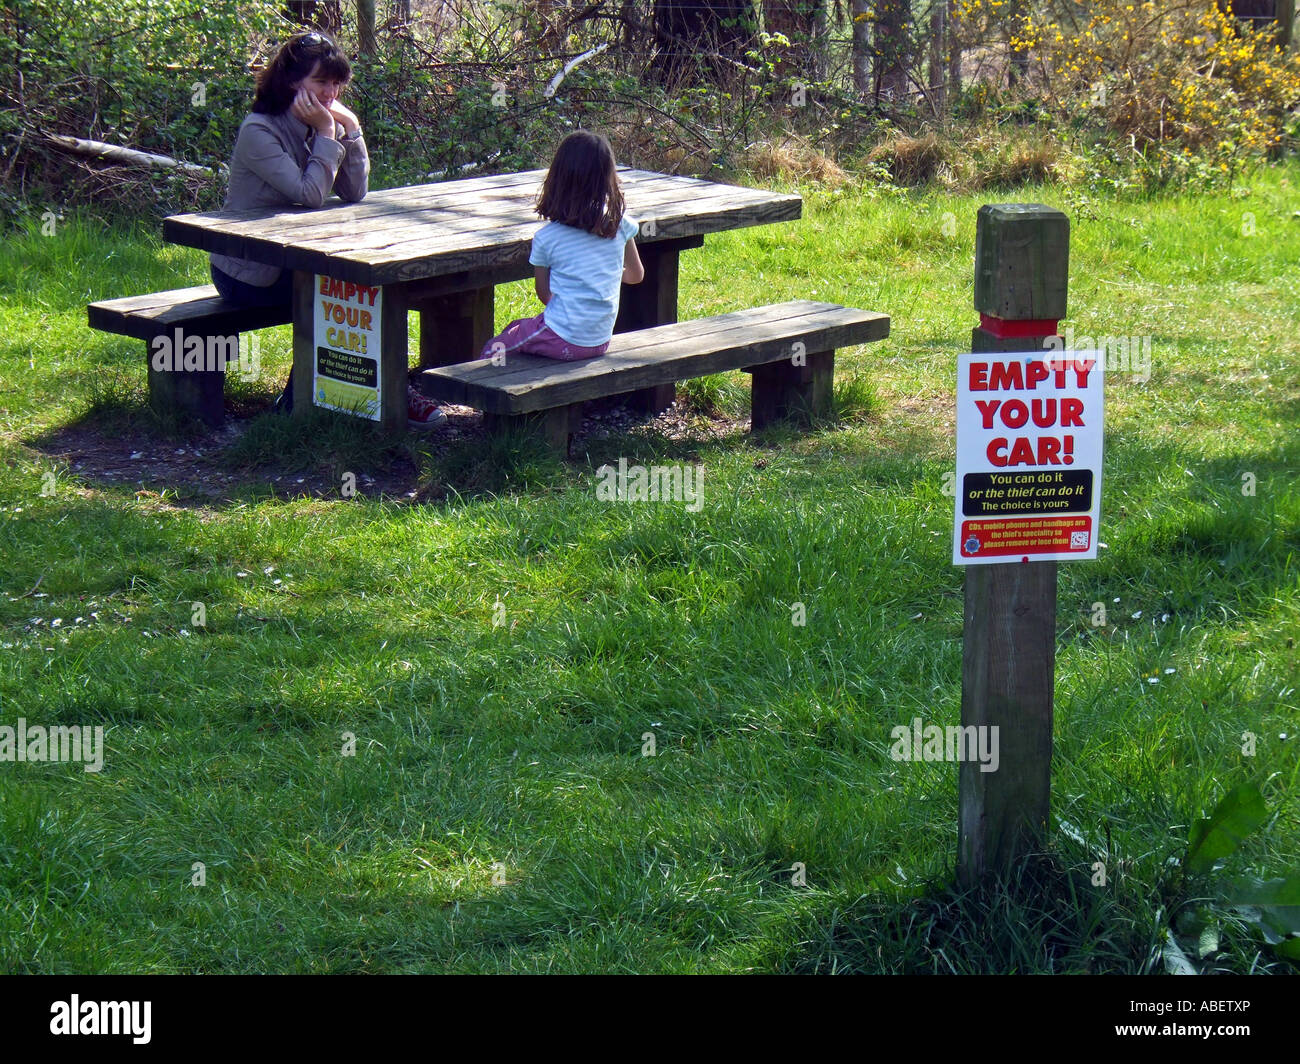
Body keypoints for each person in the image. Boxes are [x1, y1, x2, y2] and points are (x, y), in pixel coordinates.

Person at [210, 31, 445, 428]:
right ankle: (315, 402)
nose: (331, 91)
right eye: (321, 81)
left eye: (337, 83)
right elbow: (310, 193)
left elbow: (354, 191)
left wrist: (350, 129)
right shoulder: (260, 130)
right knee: (347, 291)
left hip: (296, 261)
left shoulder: (326, 119)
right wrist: (326, 131)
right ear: (291, 81)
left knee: (366, 286)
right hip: (248, 272)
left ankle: (346, 396)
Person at [481, 130, 644, 364]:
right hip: (599, 340)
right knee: (517, 328)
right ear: (608, 179)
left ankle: (465, 400)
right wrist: (600, 275)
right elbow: (636, 275)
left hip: (564, 338)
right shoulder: (619, 224)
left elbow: (545, 295)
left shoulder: (547, 238)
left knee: (495, 349)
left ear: (557, 179)